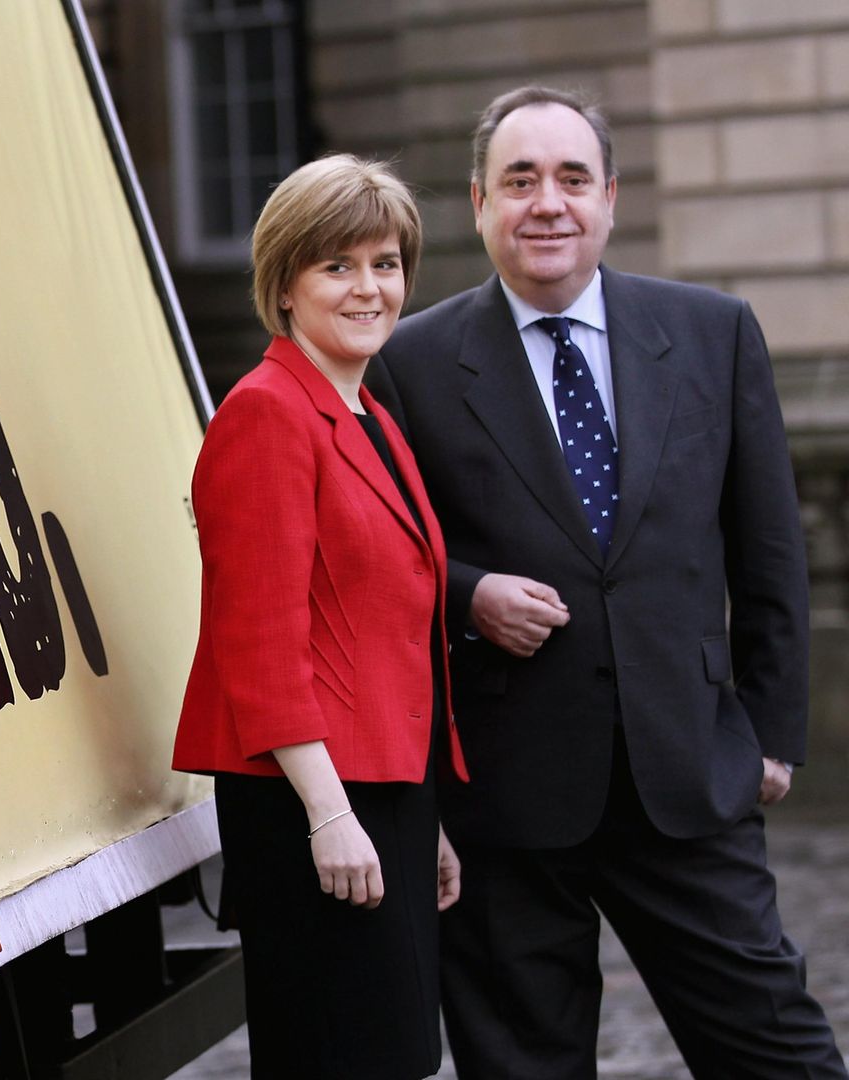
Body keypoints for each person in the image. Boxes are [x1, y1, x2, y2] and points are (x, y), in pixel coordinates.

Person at [367, 85, 848, 1077]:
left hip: (687, 768)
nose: (548, 202)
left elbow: (770, 552)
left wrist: (773, 727)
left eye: (572, 178)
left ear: (611, 199)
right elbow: (379, 552)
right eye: (521, 180)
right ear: (480, 203)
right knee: (524, 1063)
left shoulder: (713, 333)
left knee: (779, 1049)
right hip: (503, 788)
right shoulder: (410, 363)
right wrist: (467, 595)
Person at [173, 154, 467, 1079]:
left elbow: (392, 632)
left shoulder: (370, 413)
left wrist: (428, 817)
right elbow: (254, 643)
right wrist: (331, 816)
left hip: (382, 794)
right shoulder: (265, 414)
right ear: (285, 286)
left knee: (392, 1057)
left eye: (385, 264)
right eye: (337, 266)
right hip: (313, 804)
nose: (369, 288)